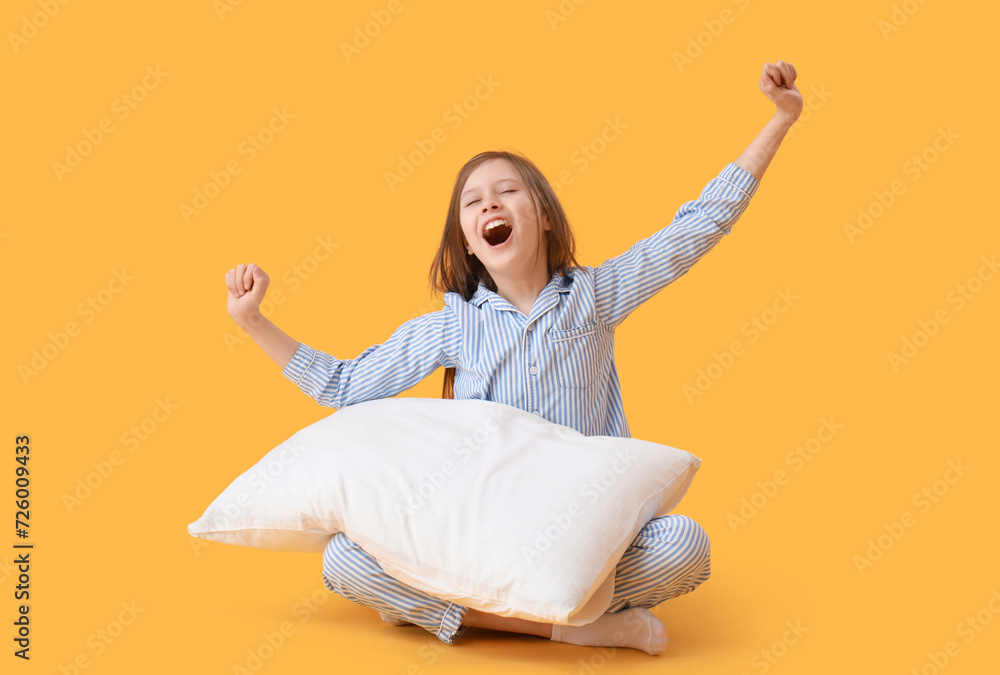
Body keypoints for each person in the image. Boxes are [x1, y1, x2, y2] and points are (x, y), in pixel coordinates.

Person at [224, 60, 803, 656]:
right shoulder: (454, 324)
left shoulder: (595, 297)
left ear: (544, 216)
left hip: (583, 528)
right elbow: (344, 387)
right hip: (478, 533)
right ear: (468, 241)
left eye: (506, 192)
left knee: (684, 545)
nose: (488, 205)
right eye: (472, 203)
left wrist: (781, 120)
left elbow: (700, 224)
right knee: (344, 559)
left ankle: (450, 610)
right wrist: (253, 321)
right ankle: (564, 625)